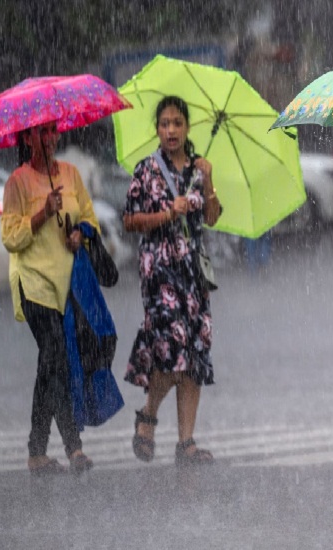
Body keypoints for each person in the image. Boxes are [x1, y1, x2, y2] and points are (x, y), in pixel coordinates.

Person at [123, 96, 222, 467]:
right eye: (164, 124)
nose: (171, 130)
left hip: (193, 272)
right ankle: (148, 414)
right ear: (157, 129)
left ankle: (186, 442)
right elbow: (129, 220)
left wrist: (208, 180)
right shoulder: (146, 170)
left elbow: (211, 217)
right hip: (159, 270)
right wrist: (167, 213)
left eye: (177, 123)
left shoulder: (198, 169)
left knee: (194, 351)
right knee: (169, 347)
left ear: (187, 127)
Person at [1, 121, 100, 475]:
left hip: (66, 284)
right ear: (26, 138)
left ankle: (36, 452)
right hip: (34, 284)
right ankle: (74, 447)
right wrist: (43, 212)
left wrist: (80, 233)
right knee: (55, 356)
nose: (48, 138)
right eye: (40, 132)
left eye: (52, 130)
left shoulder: (71, 174)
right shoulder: (17, 182)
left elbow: (90, 219)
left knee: (50, 365)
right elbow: (11, 238)